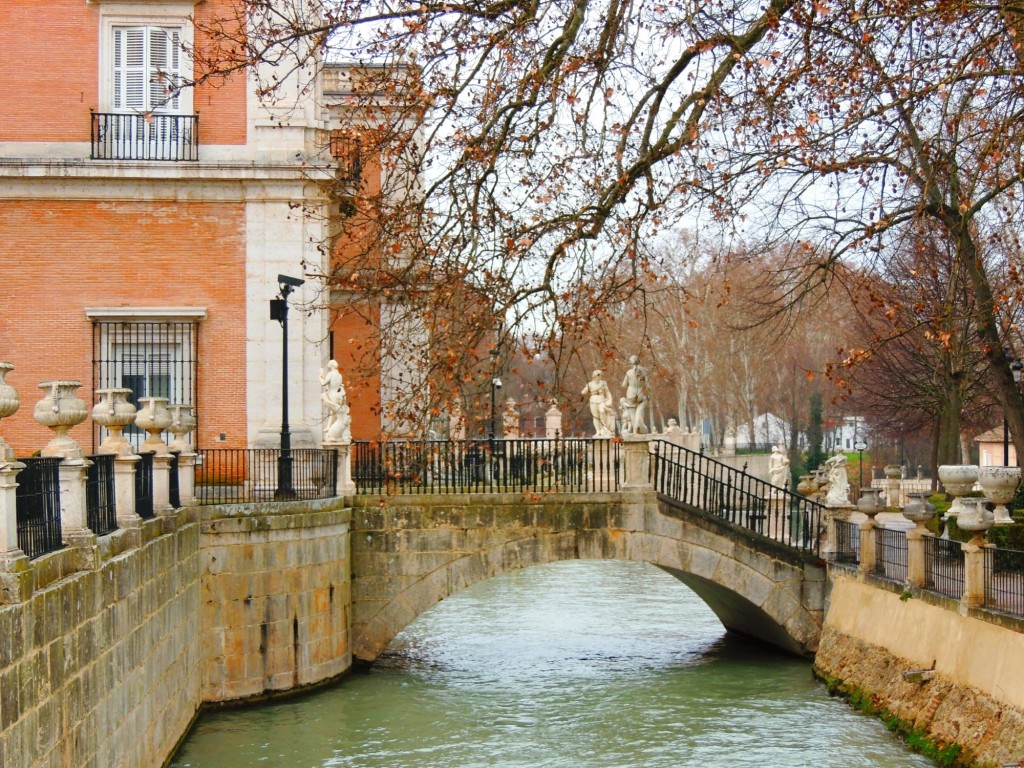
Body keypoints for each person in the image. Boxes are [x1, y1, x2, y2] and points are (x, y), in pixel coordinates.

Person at [319, 359, 351, 443]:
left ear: (331, 366)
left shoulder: (330, 374)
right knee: (333, 412)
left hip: (332, 394)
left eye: (329, 366)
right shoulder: (339, 375)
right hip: (338, 395)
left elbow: (323, 383)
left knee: (334, 412)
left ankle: (330, 429)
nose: (328, 367)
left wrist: (320, 376)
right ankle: (329, 426)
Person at [620, 355, 650, 434]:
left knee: (633, 413)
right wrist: (648, 393)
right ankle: (640, 428)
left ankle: (635, 431)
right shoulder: (644, 371)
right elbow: (648, 386)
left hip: (630, 394)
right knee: (639, 413)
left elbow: (623, 385)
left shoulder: (629, 372)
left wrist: (630, 382)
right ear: (639, 361)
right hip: (641, 394)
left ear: (631, 362)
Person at [581, 370, 615, 437]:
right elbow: (583, 392)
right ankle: (598, 431)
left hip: (601, 401)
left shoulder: (603, 383)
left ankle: (604, 428)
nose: (599, 377)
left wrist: (610, 400)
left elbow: (608, 392)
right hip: (593, 401)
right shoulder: (590, 384)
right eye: (598, 375)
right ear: (594, 376)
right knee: (596, 417)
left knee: (602, 412)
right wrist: (586, 389)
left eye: (600, 375)